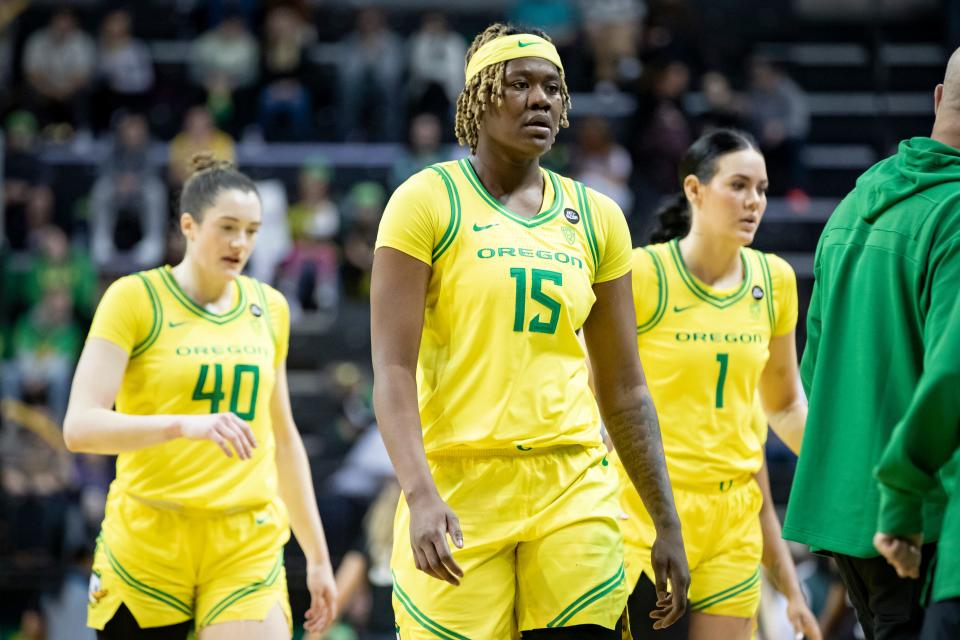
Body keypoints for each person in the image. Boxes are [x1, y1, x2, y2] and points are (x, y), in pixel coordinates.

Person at [371, 23, 689, 640]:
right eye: (519, 85)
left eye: (552, 87)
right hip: (458, 485)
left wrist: (663, 518)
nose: (539, 99)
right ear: (478, 100)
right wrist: (418, 493)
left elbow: (624, 388)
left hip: (571, 483)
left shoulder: (597, 217)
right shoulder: (425, 201)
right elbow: (391, 370)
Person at [62, 154, 337, 639]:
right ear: (189, 225)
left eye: (252, 230)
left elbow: (284, 439)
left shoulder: (268, 307)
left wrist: (316, 555)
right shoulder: (134, 299)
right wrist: (182, 424)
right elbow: (80, 428)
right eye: (227, 227)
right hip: (150, 536)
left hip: (244, 541)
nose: (241, 243)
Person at [610, 129, 818, 640]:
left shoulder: (774, 281)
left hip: (731, 518)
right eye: (739, 185)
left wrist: (840, 468)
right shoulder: (643, 273)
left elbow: (786, 405)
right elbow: (600, 397)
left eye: (763, 189)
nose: (754, 202)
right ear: (695, 190)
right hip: (646, 510)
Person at [783, 48, 960, 639]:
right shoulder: (954, 213)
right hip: (921, 518)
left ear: (938, 99)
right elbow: (950, 378)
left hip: (843, 511)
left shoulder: (856, 203)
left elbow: (813, 365)